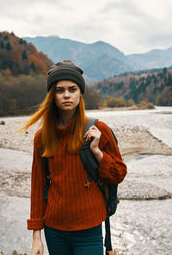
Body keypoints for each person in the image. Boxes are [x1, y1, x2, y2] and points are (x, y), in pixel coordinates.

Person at [21, 60, 127, 255]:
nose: (67, 95)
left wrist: (97, 152)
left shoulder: (98, 129)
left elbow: (119, 173)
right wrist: (36, 236)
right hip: (54, 230)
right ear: (52, 95)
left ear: (80, 93)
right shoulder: (42, 137)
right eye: (60, 90)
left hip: (89, 228)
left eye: (72, 89)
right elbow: (37, 187)